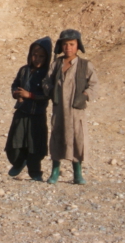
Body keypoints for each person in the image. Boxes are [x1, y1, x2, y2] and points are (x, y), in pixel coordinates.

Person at [42, 29, 98, 185]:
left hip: (76, 111)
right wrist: (51, 91)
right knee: (57, 138)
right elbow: (46, 81)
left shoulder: (85, 65)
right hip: (59, 110)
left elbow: (94, 84)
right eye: (65, 44)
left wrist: (85, 95)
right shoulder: (56, 64)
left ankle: (77, 173)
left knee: (77, 139)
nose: (68, 48)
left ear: (78, 46)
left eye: (72, 44)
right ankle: (55, 171)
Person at [5, 37, 52, 181]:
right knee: (15, 142)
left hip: (37, 114)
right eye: (34, 55)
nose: (37, 59)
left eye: (41, 56)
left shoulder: (47, 74)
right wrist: (16, 94)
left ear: (47, 57)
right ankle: (18, 162)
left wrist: (30, 95)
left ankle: (35, 172)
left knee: (35, 145)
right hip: (21, 112)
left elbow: (47, 94)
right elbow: (15, 84)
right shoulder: (24, 70)